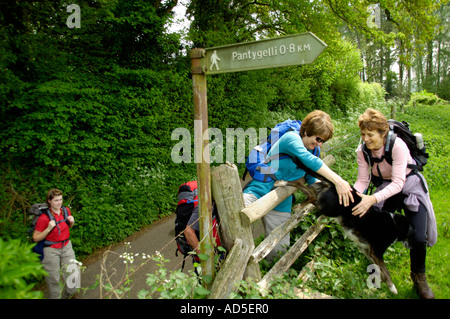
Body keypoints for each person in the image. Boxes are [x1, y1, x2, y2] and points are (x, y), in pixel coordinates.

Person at [243, 110, 354, 263]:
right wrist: (339, 181)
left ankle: (265, 278)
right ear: (307, 131)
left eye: (323, 141)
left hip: (282, 199)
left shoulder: (315, 149)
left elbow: (311, 177)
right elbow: (309, 160)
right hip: (261, 187)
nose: (319, 144)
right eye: (318, 139)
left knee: (279, 248)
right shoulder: (291, 138)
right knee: (237, 222)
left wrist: (331, 196)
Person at [352, 108, 437, 299]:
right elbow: (363, 181)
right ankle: (374, 269)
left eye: (370, 134)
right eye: (363, 134)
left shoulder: (398, 146)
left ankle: (419, 276)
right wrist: (354, 196)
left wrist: (372, 199)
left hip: (410, 185)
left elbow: (399, 182)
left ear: (383, 134)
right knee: (373, 231)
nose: (365, 139)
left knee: (417, 236)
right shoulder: (362, 151)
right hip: (385, 189)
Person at [33, 189, 79, 299]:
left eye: (61, 200)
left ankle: (72, 295)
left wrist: (71, 222)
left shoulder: (66, 211)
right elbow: (35, 238)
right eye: (56, 200)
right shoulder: (44, 218)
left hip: (66, 245)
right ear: (49, 201)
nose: (59, 203)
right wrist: (48, 228)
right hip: (51, 249)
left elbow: (66, 227)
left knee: (72, 271)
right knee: (54, 278)